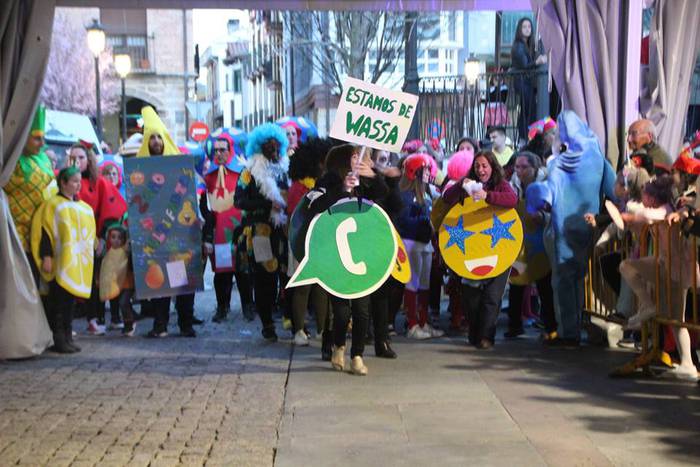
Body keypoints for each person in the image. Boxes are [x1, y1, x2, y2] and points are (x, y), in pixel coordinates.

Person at [304, 144, 389, 375]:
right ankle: (339, 346)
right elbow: (315, 206)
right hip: (336, 255)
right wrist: (343, 189)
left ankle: (357, 356)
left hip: (362, 254)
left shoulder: (367, 181)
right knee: (341, 313)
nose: (358, 159)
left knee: (362, 311)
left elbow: (387, 197)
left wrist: (374, 177)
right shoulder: (329, 180)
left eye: (360, 156)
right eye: (354, 155)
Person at [442, 151, 518, 349]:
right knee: (471, 297)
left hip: (499, 248)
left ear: (492, 167)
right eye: (477, 166)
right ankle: (475, 333)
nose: (481, 170)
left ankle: (486, 337)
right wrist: (461, 184)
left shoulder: (500, 184)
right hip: (471, 249)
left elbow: (512, 200)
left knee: (492, 297)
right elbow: (447, 198)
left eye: (485, 166)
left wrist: (488, 196)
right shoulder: (467, 184)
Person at [137, 106, 198, 338]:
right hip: (153, 234)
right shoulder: (139, 168)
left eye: (158, 137)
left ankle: (185, 323)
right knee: (158, 280)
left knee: (180, 279)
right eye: (151, 137)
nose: (155, 141)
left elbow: (190, 196)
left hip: (177, 233)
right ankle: (160, 324)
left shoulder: (178, 166)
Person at [30, 166, 96, 353]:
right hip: (59, 263)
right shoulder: (52, 205)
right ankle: (58, 339)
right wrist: (47, 256)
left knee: (70, 303)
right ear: (63, 183)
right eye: (74, 181)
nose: (78, 185)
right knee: (58, 302)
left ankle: (68, 336)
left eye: (79, 181)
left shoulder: (83, 208)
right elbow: (45, 232)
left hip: (75, 264)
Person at [234, 123, 290, 342]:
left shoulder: (285, 170)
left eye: (277, 146)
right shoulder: (249, 171)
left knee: (283, 275)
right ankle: (267, 323)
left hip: (281, 231)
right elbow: (239, 201)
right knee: (264, 277)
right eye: (269, 146)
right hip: (259, 233)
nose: (274, 150)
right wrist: (268, 204)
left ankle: (287, 317)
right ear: (259, 147)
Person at [67, 141, 127, 334]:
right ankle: (67, 324)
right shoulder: (63, 182)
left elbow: (111, 209)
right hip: (69, 238)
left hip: (91, 240)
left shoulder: (99, 182)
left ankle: (93, 320)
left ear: (89, 159)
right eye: (73, 158)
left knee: (93, 281)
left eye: (81, 157)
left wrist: (102, 238)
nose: (77, 161)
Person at [286, 137, 334, 351]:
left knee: (321, 287)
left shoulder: (324, 185)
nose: (325, 165)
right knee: (303, 287)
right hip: (301, 241)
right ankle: (299, 330)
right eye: (323, 161)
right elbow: (295, 216)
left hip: (321, 241)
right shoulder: (298, 187)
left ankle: (322, 330)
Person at [506, 151, 556, 340]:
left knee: (545, 284)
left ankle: (551, 327)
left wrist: (542, 216)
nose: (519, 171)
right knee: (516, 283)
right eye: (517, 167)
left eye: (524, 167)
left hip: (541, 241)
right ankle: (514, 325)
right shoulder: (512, 186)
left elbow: (554, 210)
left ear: (534, 168)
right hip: (519, 242)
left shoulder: (546, 185)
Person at [4, 104, 56, 284]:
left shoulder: (44, 159)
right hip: (15, 238)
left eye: (43, 138)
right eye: (36, 138)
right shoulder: (10, 160)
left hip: (40, 236)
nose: (42, 143)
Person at [202, 135, 251, 324]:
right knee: (221, 275)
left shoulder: (242, 174)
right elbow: (204, 208)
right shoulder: (208, 178)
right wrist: (208, 235)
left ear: (230, 151)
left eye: (222, 149)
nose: (219, 153)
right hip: (220, 234)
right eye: (216, 150)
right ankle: (222, 307)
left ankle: (247, 307)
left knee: (243, 272)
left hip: (239, 232)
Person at [396, 153, 444, 340]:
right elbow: (404, 221)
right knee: (412, 284)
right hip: (411, 242)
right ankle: (412, 325)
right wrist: (425, 221)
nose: (428, 174)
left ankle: (423, 322)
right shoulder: (405, 195)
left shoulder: (426, 192)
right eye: (424, 170)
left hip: (424, 243)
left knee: (425, 285)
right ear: (414, 172)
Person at [511, 17, 547, 143]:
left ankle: (525, 138)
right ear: (519, 29)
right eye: (524, 27)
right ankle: (525, 139)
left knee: (527, 111)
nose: (527, 29)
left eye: (529, 27)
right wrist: (537, 61)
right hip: (523, 83)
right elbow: (524, 65)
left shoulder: (525, 45)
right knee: (529, 111)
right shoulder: (519, 46)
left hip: (525, 83)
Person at [99, 222, 136, 336]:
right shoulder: (108, 253)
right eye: (113, 237)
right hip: (116, 284)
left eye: (120, 238)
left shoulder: (125, 251)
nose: (116, 240)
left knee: (123, 302)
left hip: (127, 283)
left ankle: (130, 324)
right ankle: (128, 323)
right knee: (123, 304)